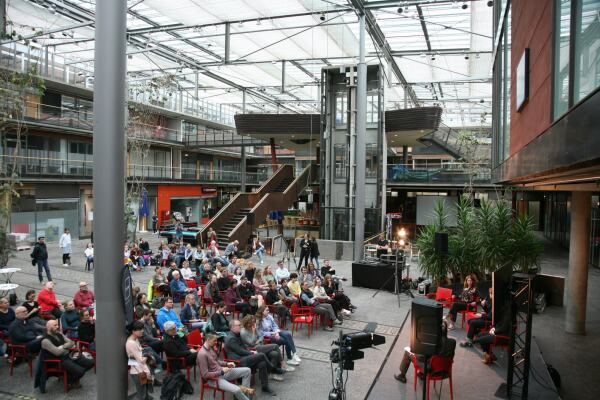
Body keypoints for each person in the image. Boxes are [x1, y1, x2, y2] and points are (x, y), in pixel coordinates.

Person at [224, 319, 283, 395]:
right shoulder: (231, 338)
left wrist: (251, 351)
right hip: (238, 361)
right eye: (239, 325)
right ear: (233, 327)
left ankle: (265, 387)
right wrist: (251, 353)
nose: (240, 326)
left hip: (243, 357)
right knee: (261, 355)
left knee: (262, 363)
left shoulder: (237, 334)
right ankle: (272, 369)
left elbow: (243, 347)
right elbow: (239, 351)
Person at [197, 333, 254, 400]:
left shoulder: (210, 348)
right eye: (214, 341)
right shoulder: (202, 354)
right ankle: (243, 397)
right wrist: (221, 372)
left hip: (222, 372)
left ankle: (243, 396)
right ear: (208, 340)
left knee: (247, 370)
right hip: (214, 379)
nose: (216, 342)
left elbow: (217, 361)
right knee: (237, 390)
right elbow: (205, 375)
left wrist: (227, 364)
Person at [40, 319, 94, 389]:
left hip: (68, 355)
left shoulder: (59, 333)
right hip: (59, 361)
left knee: (90, 363)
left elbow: (72, 342)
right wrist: (67, 346)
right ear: (48, 327)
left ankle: (72, 378)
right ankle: (71, 380)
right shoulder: (45, 341)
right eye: (55, 325)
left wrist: (63, 346)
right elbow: (57, 353)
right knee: (81, 371)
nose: (58, 327)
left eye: (57, 325)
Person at [126, 320, 155, 400]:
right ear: (133, 331)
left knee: (143, 392)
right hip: (138, 371)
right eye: (140, 329)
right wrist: (148, 355)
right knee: (141, 394)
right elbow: (141, 360)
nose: (142, 331)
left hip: (138, 370)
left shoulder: (135, 339)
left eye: (142, 328)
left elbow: (138, 356)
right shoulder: (131, 343)